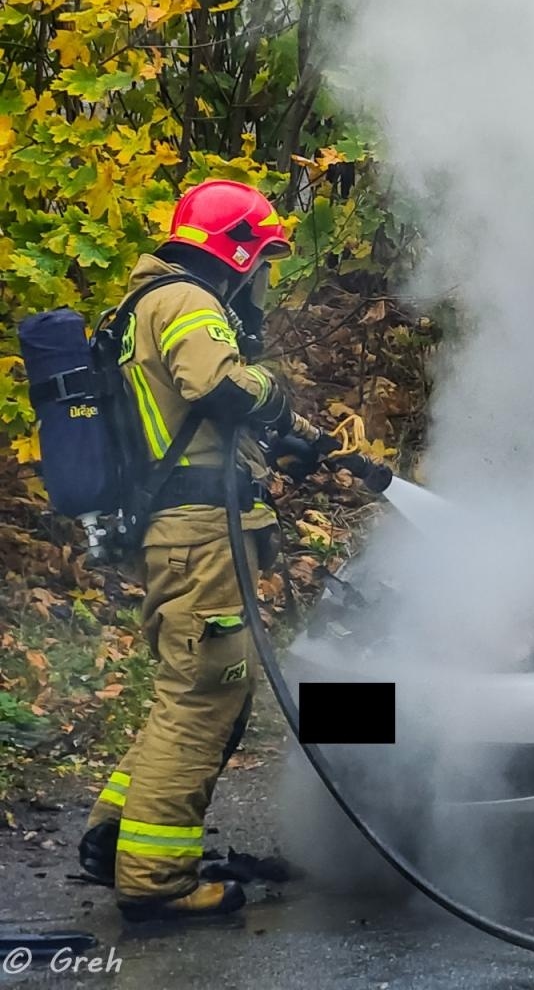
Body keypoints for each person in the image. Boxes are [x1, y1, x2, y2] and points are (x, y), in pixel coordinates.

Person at [76, 179, 335, 922]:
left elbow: (191, 421)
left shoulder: (144, 304)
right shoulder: (190, 302)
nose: (264, 277)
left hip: (181, 529)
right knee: (203, 699)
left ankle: (116, 835)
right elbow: (215, 384)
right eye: (263, 258)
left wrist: (279, 447)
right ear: (239, 250)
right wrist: (274, 393)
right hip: (198, 535)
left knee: (190, 692)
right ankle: (155, 881)